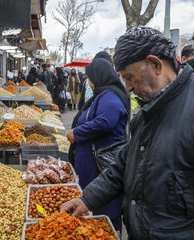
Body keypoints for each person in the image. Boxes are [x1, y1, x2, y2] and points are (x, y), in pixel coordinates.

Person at [61, 26, 194, 239]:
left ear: (155, 64)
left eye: (129, 77)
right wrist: (87, 199)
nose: (127, 87)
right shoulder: (149, 110)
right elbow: (123, 165)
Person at [66, 51, 129, 232]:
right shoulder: (103, 94)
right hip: (92, 163)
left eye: (91, 77)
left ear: (99, 77)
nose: (89, 82)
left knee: (104, 212)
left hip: (100, 166)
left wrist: (77, 133)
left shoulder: (110, 96)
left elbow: (105, 122)